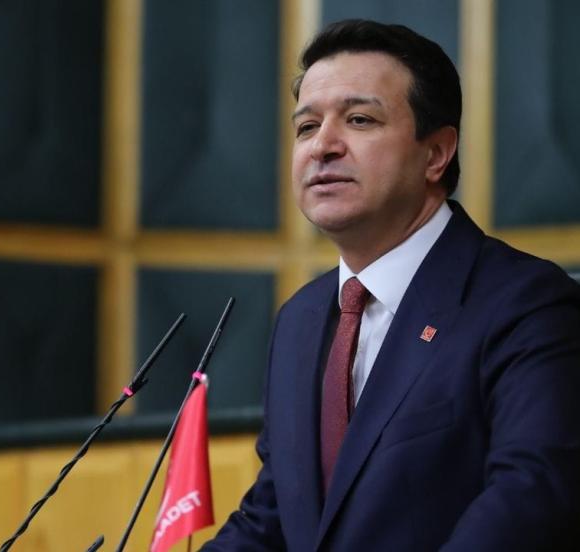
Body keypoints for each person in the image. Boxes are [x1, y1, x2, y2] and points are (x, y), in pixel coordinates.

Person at [202, 19, 580, 551]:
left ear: (436, 153)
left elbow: (530, 499)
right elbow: (274, 518)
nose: (322, 146)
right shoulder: (299, 320)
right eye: (306, 127)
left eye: (359, 119)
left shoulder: (527, 304)